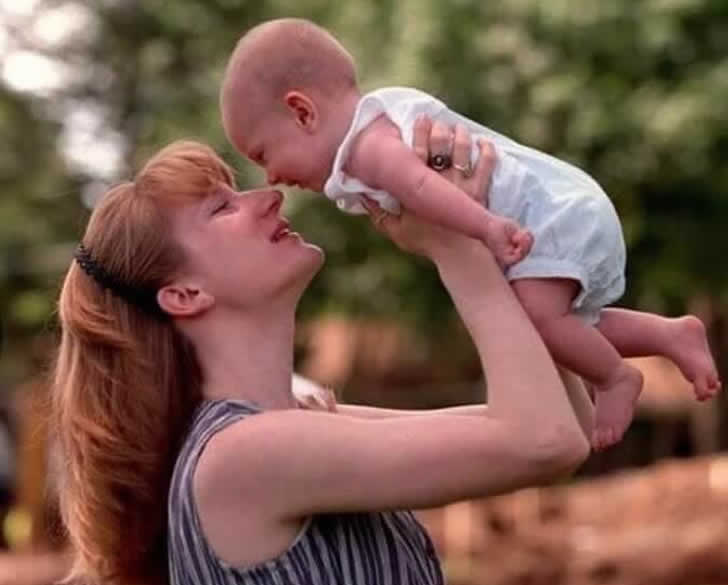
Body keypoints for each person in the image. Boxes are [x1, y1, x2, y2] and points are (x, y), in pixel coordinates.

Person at [51, 122, 592, 585]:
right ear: (184, 295)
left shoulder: (294, 426)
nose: (269, 197)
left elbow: (568, 423)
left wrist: (497, 235)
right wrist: (456, 243)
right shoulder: (242, 456)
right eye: (221, 208)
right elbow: (544, 443)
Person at [219, 18, 721, 450]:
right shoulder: (378, 126)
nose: (271, 177)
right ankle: (668, 334)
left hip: (552, 216)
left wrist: (487, 229)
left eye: (264, 154)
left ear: (302, 112)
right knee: (556, 324)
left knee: (536, 319)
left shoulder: (369, 147)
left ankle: (614, 377)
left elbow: (422, 187)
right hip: (558, 209)